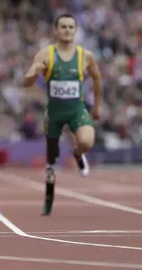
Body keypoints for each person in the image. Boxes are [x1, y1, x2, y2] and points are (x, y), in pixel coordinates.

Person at [23, 14, 102, 213]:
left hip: (76, 109)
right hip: (55, 113)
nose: (67, 30)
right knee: (51, 161)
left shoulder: (85, 56)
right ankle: (48, 199)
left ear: (75, 31)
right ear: (55, 31)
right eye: (63, 27)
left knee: (87, 142)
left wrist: (98, 106)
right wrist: (32, 75)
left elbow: (97, 79)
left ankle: (77, 153)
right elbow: (28, 78)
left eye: (71, 27)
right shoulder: (46, 54)